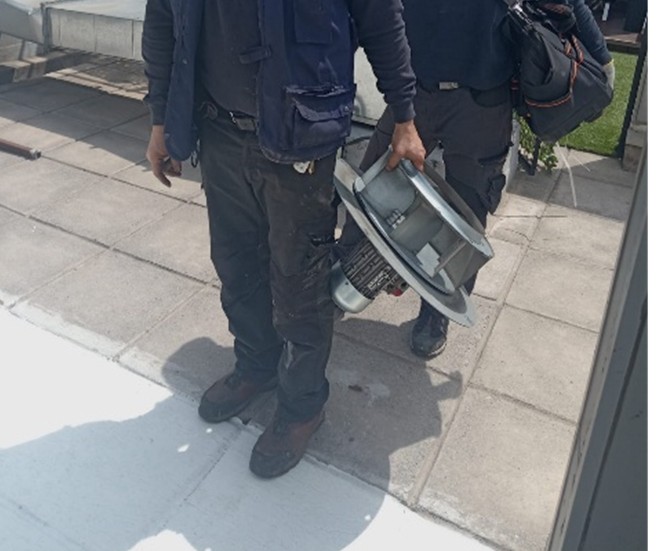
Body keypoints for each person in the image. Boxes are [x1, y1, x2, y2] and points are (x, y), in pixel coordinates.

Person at [141, 0, 425, 479]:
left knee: (299, 288)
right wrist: (160, 122)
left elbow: (380, 18)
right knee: (236, 265)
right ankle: (257, 365)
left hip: (299, 136)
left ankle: (302, 406)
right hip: (218, 130)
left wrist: (405, 116)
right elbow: (163, 21)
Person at [338, 0, 614, 359]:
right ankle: (341, 268)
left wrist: (601, 57)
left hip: (483, 101)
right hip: (412, 93)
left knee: (468, 212)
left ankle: (438, 311)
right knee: (370, 188)